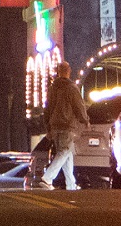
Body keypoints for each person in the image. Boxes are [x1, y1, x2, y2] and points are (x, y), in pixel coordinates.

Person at [34, 60, 88, 190]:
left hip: (55, 126)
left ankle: (71, 184)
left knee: (66, 154)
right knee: (64, 152)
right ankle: (48, 178)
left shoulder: (53, 88)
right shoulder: (71, 88)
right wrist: (85, 119)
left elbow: (48, 108)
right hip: (67, 125)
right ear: (68, 71)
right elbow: (78, 106)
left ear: (58, 71)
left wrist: (48, 125)